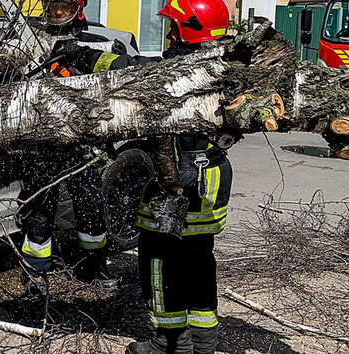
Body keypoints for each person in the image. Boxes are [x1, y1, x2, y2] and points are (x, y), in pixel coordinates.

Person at [17, 0, 158, 295]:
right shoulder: (29, 43)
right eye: (52, 6)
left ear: (77, 8)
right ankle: (35, 271)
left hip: (84, 145)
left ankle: (94, 265)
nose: (57, 13)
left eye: (64, 7)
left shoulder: (98, 43)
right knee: (39, 212)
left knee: (92, 208)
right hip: (42, 145)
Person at [125, 1, 232, 353]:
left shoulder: (179, 74)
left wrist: (98, 59)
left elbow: (136, 74)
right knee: (199, 258)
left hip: (179, 178)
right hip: (212, 175)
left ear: (191, 29)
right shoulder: (226, 69)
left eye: (174, 26)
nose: (169, 33)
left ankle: (169, 343)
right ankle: (203, 341)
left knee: (160, 259)